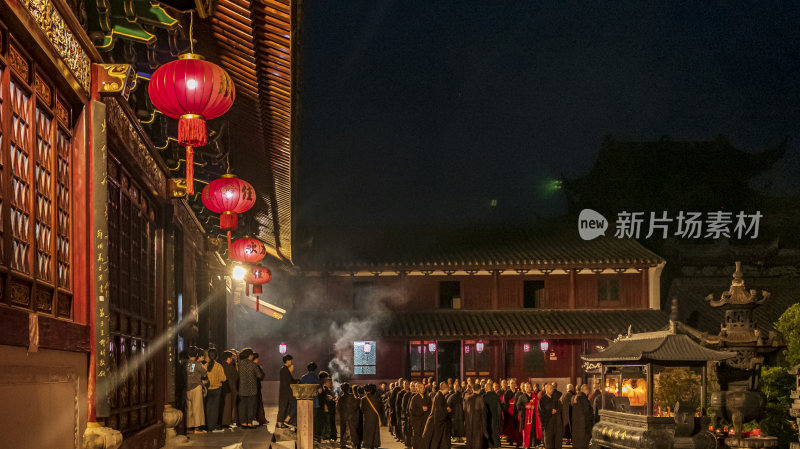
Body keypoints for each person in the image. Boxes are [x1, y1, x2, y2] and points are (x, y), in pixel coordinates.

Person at [237, 348, 264, 428]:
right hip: (252, 389)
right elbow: (259, 375)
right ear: (250, 356)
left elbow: (237, 375)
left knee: (242, 406)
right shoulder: (253, 365)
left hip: (242, 388)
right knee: (251, 407)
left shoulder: (240, 364)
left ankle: (243, 423)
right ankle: (249, 422)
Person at [421, 382, 452, 449]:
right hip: (435, 423)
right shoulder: (439, 397)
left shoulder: (440, 396)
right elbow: (439, 412)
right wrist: (447, 410)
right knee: (435, 442)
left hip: (436, 422)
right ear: (446, 389)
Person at [185, 347, 208, 434]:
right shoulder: (197, 364)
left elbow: (189, 374)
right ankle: (197, 429)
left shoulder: (186, 364)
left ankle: (189, 427)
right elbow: (204, 374)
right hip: (196, 387)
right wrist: (205, 367)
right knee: (197, 408)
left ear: (188, 355)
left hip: (187, 388)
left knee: (189, 408)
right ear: (197, 355)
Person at [204, 348, 227, 432]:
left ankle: (208, 425)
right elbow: (223, 378)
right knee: (215, 409)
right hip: (217, 389)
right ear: (216, 356)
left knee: (208, 407)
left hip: (207, 389)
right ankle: (212, 426)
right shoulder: (219, 366)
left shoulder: (205, 365)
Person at [539, 384, 562, 449]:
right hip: (547, 423)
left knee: (555, 441)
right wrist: (550, 412)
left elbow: (559, 409)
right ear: (546, 389)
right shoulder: (542, 400)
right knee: (548, 442)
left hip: (555, 423)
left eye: (552, 388)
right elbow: (540, 412)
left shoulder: (554, 399)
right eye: (550, 388)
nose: (552, 390)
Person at [463, 384, 487, 449]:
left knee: (469, 441)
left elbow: (464, 409)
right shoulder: (480, 399)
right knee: (477, 442)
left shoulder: (466, 398)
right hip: (477, 423)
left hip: (468, 422)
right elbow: (483, 413)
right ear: (479, 389)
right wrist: (484, 427)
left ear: (472, 389)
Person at [276, 354, 297, 428]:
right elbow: (288, 381)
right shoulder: (284, 369)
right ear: (287, 361)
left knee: (284, 407)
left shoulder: (284, 369)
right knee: (287, 406)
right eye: (290, 360)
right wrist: (290, 371)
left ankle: (283, 422)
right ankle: (284, 421)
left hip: (285, 392)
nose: (291, 362)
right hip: (286, 392)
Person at [571, 384, 594, 449]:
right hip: (584, 425)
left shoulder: (575, 397)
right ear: (586, 390)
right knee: (583, 443)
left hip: (576, 425)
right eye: (588, 390)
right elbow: (587, 412)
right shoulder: (583, 398)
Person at [339, 383, 361, 449]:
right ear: (348, 389)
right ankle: (354, 443)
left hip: (344, 417)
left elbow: (338, 408)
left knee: (344, 430)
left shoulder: (341, 398)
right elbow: (357, 404)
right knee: (353, 430)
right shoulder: (352, 397)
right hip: (352, 416)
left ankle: (343, 443)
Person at [410, 382, 432, 449]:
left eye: (423, 387)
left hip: (425, 422)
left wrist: (427, 408)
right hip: (417, 423)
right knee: (417, 442)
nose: (423, 389)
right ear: (417, 389)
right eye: (421, 387)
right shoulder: (414, 398)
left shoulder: (427, 397)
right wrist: (421, 410)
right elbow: (412, 411)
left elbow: (431, 407)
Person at [361, 384, 383, 449]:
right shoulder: (377, 398)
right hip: (375, 417)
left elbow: (362, 409)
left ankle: (368, 444)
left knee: (367, 431)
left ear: (365, 391)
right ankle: (376, 444)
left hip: (367, 418)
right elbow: (380, 407)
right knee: (375, 431)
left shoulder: (363, 399)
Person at [221, 351, 238, 429]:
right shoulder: (229, 366)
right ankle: (226, 421)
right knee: (228, 404)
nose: (231, 359)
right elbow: (235, 376)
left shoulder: (222, 365)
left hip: (225, 387)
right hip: (230, 386)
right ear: (227, 358)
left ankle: (226, 420)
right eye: (231, 357)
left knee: (227, 404)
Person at [484, 380, 502, 448]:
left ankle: (490, 444)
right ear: (491, 388)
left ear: (486, 388)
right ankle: (496, 444)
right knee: (495, 430)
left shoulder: (484, 397)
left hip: (487, 417)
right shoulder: (496, 396)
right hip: (495, 416)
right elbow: (499, 408)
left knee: (489, 431)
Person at [502, 379, 519, 447]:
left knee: (517, 427)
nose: (513, 384)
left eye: (514, 383)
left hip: (516, 412)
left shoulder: (518, 393)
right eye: (511, 383)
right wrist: (510, 404)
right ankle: (511, 440)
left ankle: (517, 440)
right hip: (509, 413)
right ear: (509, 384)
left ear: (515, 384)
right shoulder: (507, 393)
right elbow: (505, 403)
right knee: (510, 427)